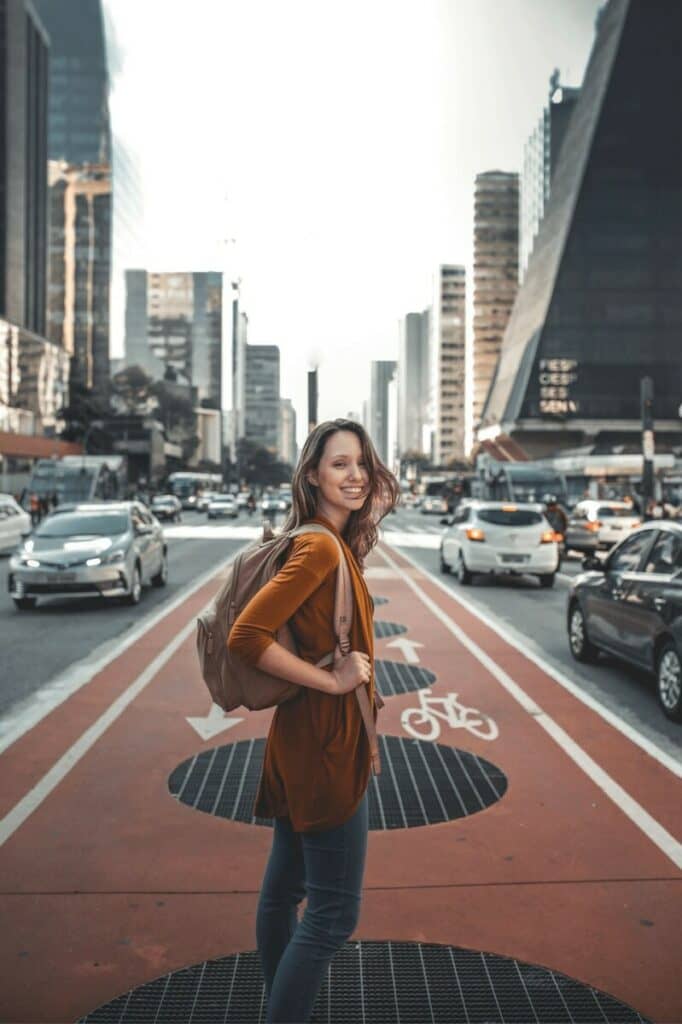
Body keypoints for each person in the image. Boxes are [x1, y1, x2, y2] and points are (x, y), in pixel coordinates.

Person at [227, 418, 399, 1023]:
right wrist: (333, 679)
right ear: (312, 476)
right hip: (328, 746)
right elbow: (248, 635)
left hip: (300, 741)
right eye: (339, 465)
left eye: (361, 463)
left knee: (283, 895)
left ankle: (279, 1005)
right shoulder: (321, 546)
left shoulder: (327, 539)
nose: (354, 476)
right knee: (332, 916)